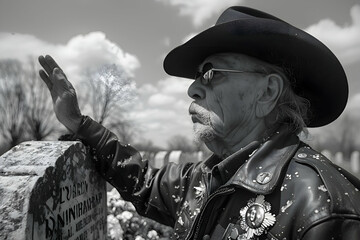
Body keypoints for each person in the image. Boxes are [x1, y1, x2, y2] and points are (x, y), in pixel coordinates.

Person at [38, 6, 360, 240]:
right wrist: (79, 123)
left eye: (211, 73)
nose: (192, 88)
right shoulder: (205, 177)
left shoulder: (323, 207)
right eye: (196, 76)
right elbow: (143, 180)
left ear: (267, 92)